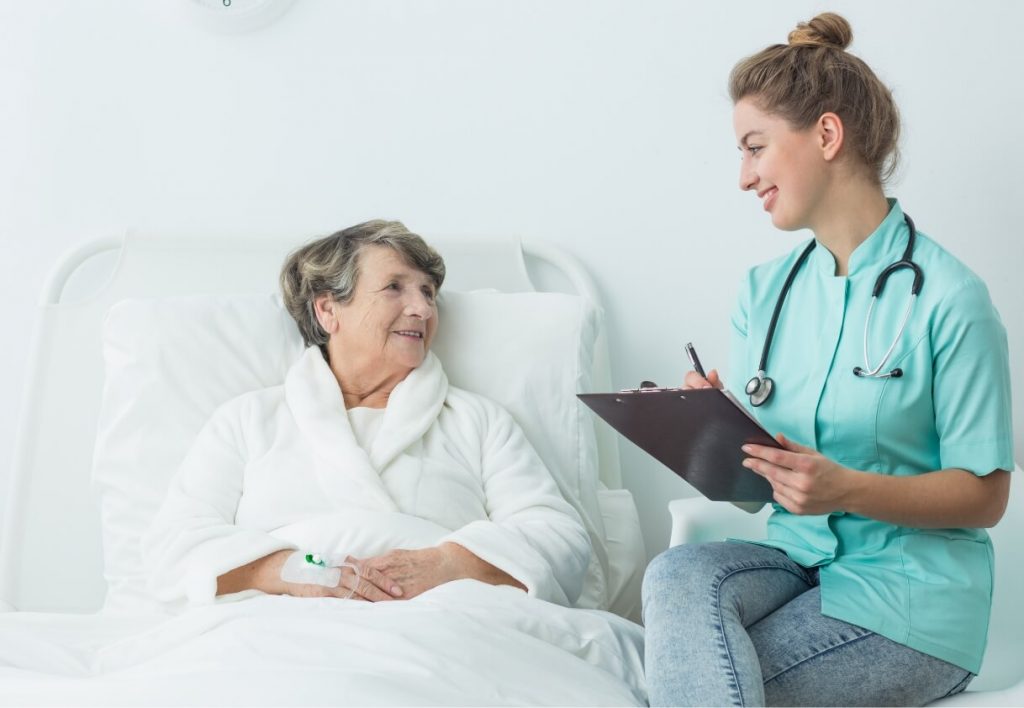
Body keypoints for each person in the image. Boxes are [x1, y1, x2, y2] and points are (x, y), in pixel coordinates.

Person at [642, 13, 1013, 707]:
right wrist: (712, 434)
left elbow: (986, 497)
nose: (744, 177)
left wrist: (847, 489)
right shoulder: (764, 293)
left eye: (755, 148)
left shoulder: (951, 299)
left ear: (828, 135)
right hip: (794, 564)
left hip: (910, 601)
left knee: (693, 679)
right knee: (677, 575)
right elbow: (757, 493)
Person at [142, 220, 590, 608]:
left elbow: (559, 539)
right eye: (395, 286)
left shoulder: (478, 422)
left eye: (428, 292)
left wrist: (447, 563)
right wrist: (291, 571)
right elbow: (172, 547)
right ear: (327, 309)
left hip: (445, 624)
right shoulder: (247, 420)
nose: (423, 309)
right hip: (279, 627)